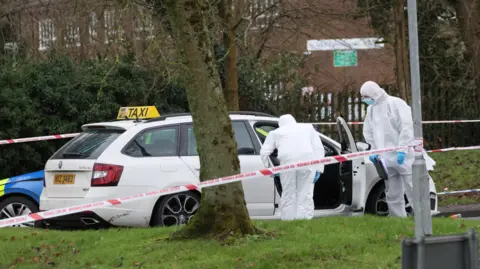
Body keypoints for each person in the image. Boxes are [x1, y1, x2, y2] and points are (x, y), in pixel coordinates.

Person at [360, 81, 415, 218]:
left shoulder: (395, 103)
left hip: (403, 156)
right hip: (386, 158)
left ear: (374, 93)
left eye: (366, 96)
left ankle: (423, 219)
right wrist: (374, 151)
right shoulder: (371, 110)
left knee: (413, 188)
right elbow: (369, 132)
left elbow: (406, 127)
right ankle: (398, 220)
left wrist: (403, 149)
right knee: (392, 192)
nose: (365, 99)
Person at [260, 114, 325, 220]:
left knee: (288, 193)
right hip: (307, 163)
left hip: (286, 165)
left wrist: (271, 169)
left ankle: (288, 221)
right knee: (305, 194)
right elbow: (318, 148)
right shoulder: (308, 128)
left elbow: (264, 153)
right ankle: (304, 221)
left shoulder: (275, 133)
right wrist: (319, 168)